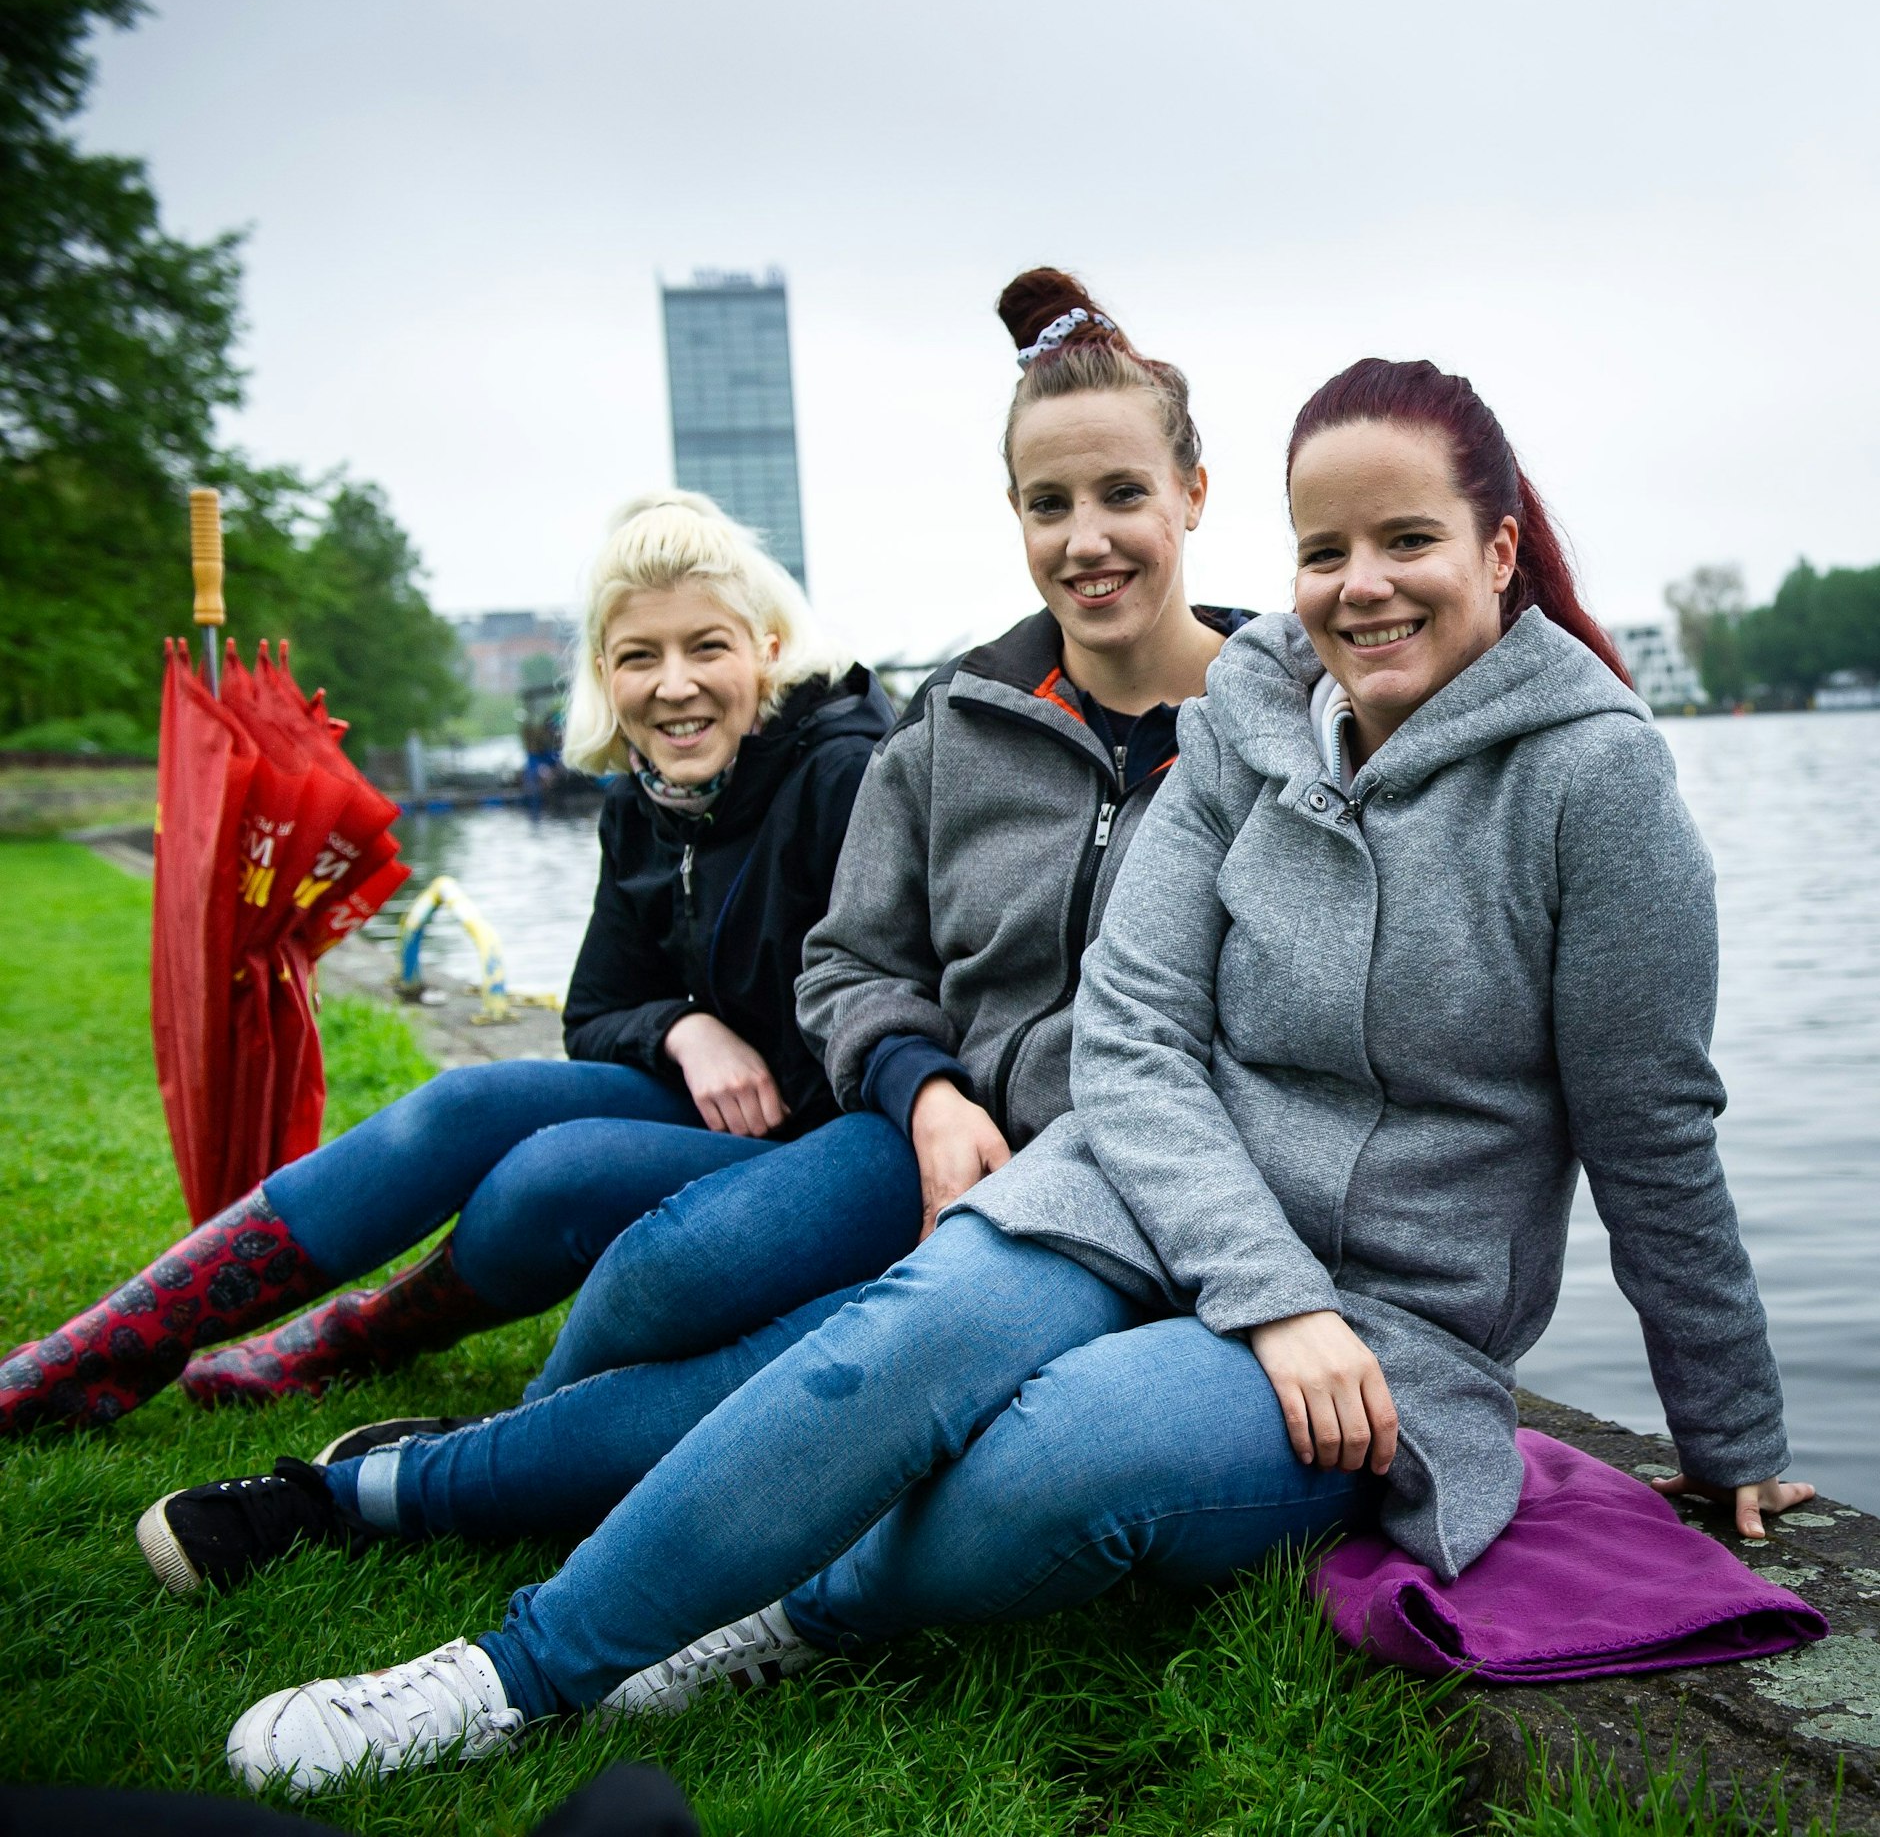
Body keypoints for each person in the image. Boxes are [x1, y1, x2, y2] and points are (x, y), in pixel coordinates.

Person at [196, 352, 1816, 1794]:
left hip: (1384, 1308)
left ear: (1502, 550)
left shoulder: (1596, 788)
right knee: (875, 1358)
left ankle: (780, 1613)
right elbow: (1134, 1033)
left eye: (1410, 543)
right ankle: (509, 1674)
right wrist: (1254, 1276)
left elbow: (1651, 1128)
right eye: (1326, 548)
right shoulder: (1246, 730)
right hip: (1136, 1193)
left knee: (1051, 1461)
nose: (1361, 585)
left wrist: (1727, 1432)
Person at [0, 491, 892, 1432]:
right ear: (603, 672)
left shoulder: (846, 777)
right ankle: (97, 1353)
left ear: (766, 648)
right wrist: (682, 1025)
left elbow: (898, 996)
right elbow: (594, 1010)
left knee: (555, 1174)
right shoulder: (642, 802)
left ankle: (359, 1334)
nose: (674, 684)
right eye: (640, 655)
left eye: (706, 647)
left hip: (835, 1141)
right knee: (467, 1104)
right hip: (729, 1104)